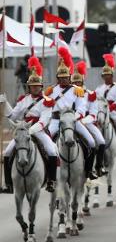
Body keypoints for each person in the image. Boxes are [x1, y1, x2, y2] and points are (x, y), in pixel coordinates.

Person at [1, 56, 58, 193]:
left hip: (38, 129)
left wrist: (30, 130)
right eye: (32, 86)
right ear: (29, 87)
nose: (35, 88)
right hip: (23, 130)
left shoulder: (47, 101)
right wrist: (5, 103)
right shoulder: (24, 100)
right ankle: (8, 184)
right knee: (7, 152)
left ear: (41, 87)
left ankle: (51, 180)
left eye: (37, 86)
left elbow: (44, 120)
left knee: (51, 151)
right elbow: (13, 115)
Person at [46, 47, 98, 180]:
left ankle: (88, 170)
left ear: (69, 77)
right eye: (61, 78)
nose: (64, 80)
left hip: (72, 121)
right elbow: (47, 108)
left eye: (66, 78)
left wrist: (73, 118)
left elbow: (81, 107)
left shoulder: (77, 90)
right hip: (56, 121)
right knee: (46, 142)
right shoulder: (51, 91)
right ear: (58, 78)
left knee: (91, 142)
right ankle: (49, 174)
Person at [71, 61, 108, 179]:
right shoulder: (68, 94)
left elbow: (93, 114)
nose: (77, 84)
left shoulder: (90, 94)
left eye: (78, 82)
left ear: (82, 82)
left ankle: (97, 167)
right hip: (71, 122)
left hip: (87, 122)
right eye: (74, 82)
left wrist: (83, 121)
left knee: (100, 141)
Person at [94, 53, 116, 160]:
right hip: (101, 113)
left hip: (112, 112)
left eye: (108, 75)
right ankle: (96, 152)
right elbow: (95, 101)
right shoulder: (99, 88)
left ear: (112, 76)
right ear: (102, 77)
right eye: (105, 75)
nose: (106, 77)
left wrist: (110, 108)